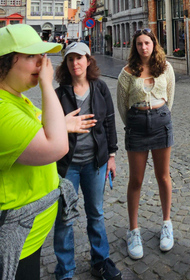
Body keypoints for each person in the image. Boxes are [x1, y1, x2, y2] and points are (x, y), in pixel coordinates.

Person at [0, 24, 95, 280]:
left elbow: (37, 127)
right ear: (2, 64)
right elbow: (56, 146)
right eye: (32, 56)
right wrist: (46, 83)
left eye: (42, 56)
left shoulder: (11, 97)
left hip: (19, 240)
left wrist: (61, 123)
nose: (42, 63)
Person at [53, 42, 122, 280]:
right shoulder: (59, 94)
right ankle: (65, 270)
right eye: (70, 59)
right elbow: (50, 129)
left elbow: (110, 123)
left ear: (88, 60)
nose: (75, 63)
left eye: (79, 58)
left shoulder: (100, 88)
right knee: (64, 218)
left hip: (95, 163)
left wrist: (111, 156)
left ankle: (100, 261)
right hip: (67, 165)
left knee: (96, 212)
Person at [116, 28, 175, 260]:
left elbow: (170, 97)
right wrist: (137, 121)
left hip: (162, 122)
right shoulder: (126, 73)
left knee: (164, 176)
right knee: (136, 180)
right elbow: (121, 106)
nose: (144, 47)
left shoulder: (166, 68)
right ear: (135, 47)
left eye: (147, 43)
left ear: (154, 44)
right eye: (139, 44)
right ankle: (133, 230)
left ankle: (167, 223)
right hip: (137, 126)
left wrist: (160, 116)